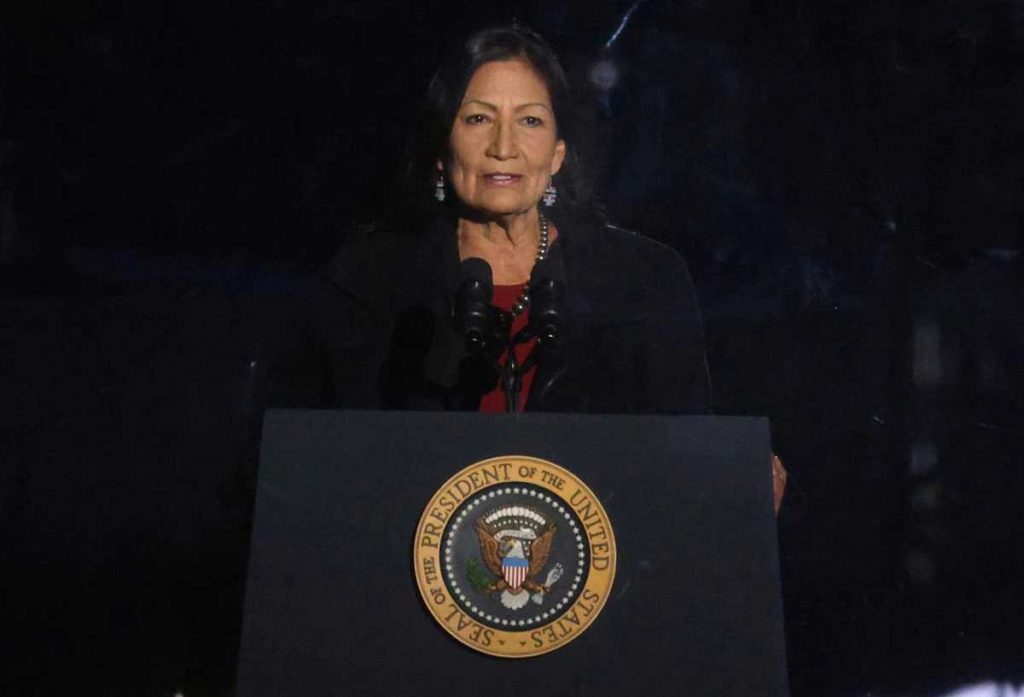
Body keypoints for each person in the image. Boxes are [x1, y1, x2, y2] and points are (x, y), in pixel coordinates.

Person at [266, 22, 785, 504]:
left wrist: (736, 492)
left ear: (557, 153)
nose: (503, 147)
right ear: (442, 149)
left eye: (529, 121)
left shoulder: (645, 282)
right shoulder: (365, 281)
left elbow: (684, 458)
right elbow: (306, 468)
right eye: (478, 119)